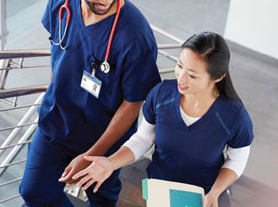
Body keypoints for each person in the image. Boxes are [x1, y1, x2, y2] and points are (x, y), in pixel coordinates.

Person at [19, 0, 161, 206]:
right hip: (56, 122)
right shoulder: (60, 1)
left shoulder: (135, 36)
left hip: (103, 136)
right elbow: (58, 50)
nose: (106, 0)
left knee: (102, 194)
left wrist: (89, 156)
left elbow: (133, 102)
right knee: (33, 192)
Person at [73, 32, 254, 207]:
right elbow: (143, 139)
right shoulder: (161, 94)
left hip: (204, 195)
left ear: (218, 77)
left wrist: (215, 192)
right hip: (161, 188)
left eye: (192, 75)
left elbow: (236, 159)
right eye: (179, 65)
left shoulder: (234, 116)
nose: (181, 78)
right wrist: (111, 163)